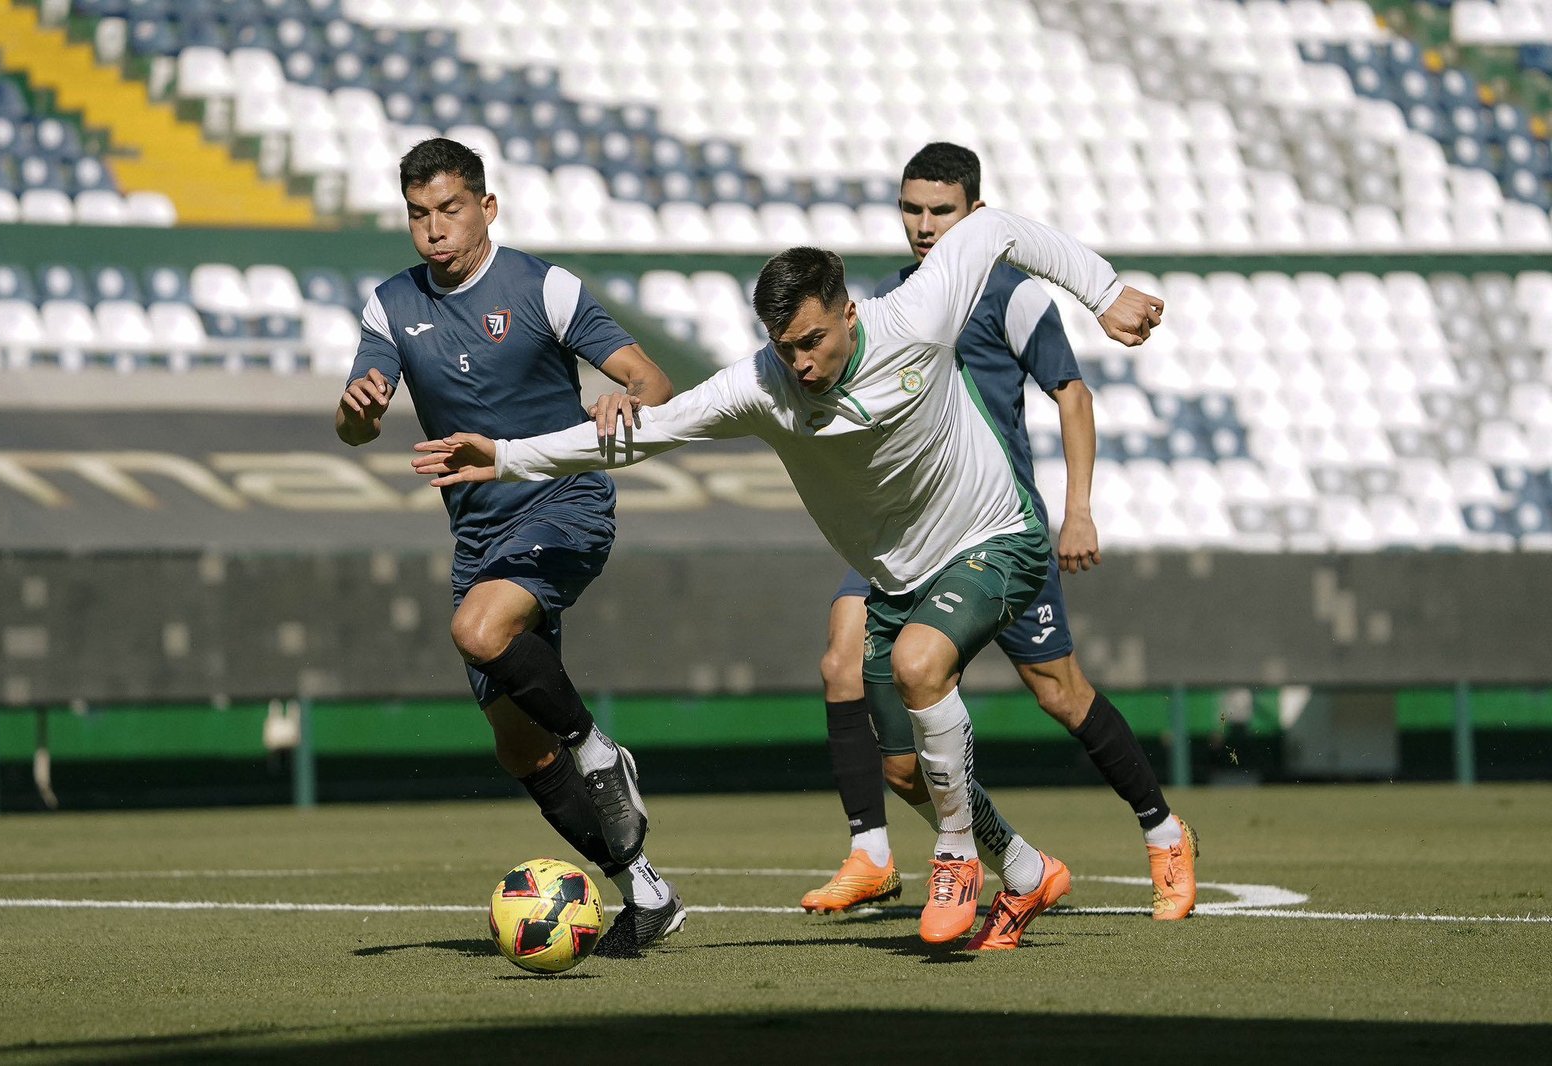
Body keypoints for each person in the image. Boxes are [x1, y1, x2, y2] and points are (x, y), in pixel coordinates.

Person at [410, 198, 1164, 950]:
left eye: (812, 341)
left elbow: (994, 226)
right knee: (903, 772)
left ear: (849, 312)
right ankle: (1029, 873)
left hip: (996, 535)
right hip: (898, 579)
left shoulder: (919, 313)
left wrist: (1103, 292)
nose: (800, 363)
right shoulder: (761, 383)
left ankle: (959, 858)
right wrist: (507, 457)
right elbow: (648, 433)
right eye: (784, 345)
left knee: (919, 664)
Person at [800, 143, 1198, 922]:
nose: (923, 225)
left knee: (1062, 694)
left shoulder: (1012, 295)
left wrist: (1078, 509)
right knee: (843, 660)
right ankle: (873, 855)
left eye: (940, 211)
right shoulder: (885, 302)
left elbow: (1072, 394)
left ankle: (1164, 830)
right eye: (911, 209)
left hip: (996, 529)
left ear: (974, 214)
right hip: (913, 535)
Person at [336, 137, 684, 956]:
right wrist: (357, 409)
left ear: (486, 208)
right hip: (479, 535)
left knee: (478, 631)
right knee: (521, 748)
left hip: (566, 502)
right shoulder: (390, 305)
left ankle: (601, 754)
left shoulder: (543, 287)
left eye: (450, 211)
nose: (435, 231)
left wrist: (618, 404)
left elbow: (654, 383)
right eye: (419, 216)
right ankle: (645, 888)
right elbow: (354, 428)